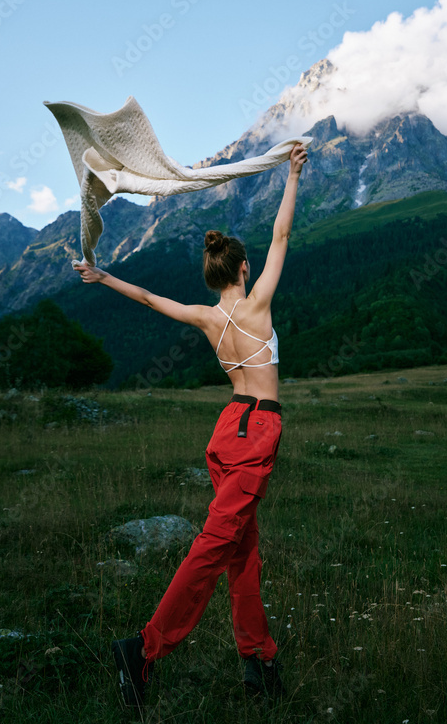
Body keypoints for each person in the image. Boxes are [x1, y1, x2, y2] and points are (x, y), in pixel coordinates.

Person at [72, 141, 308, 707]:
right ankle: (144, 651)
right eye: (252, 263)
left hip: (229, 427)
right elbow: (281, 237)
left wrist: (102, 277)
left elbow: (152, 300)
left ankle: (258, 660)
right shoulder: (257, 305)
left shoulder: (206, 317)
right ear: (243, 268)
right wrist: (292, 175)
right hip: (257, 430)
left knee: (240, 552)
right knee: (213, 549)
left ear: (211, 275)